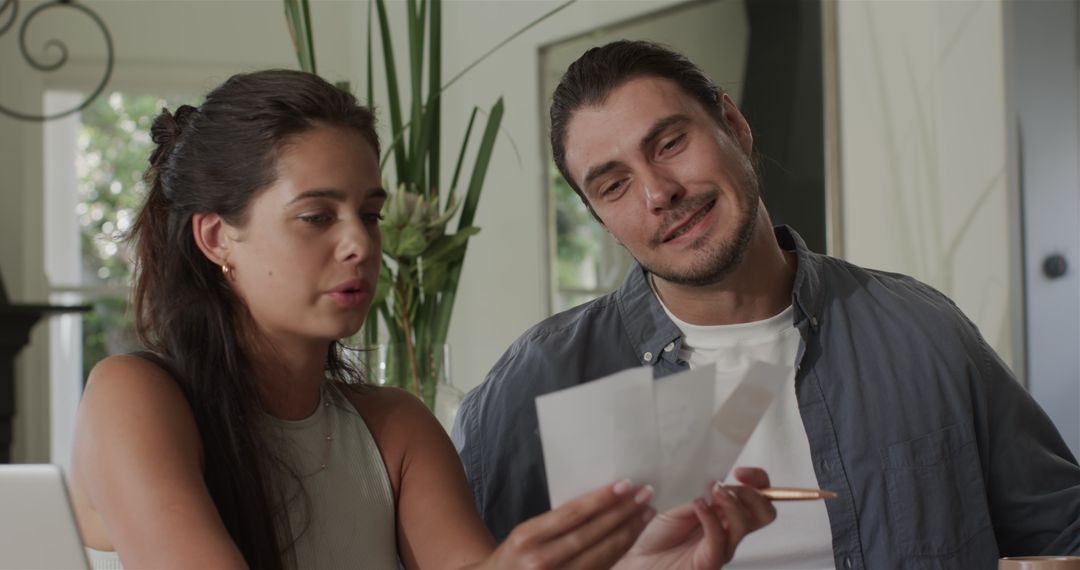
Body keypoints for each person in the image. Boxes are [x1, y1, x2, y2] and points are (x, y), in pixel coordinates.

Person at [67, 69, 773, 570]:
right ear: (217, 238)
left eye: (369, 214)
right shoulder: (136, 397)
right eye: (317, 216)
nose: (359, 243)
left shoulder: (395, 426)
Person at [453, 40, 1080, 568]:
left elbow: (1059, 531)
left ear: (734, 125)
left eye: (670, 144)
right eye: (614, 184)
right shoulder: (542, 381)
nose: (658, 193)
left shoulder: (921, 330)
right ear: (600, 218)